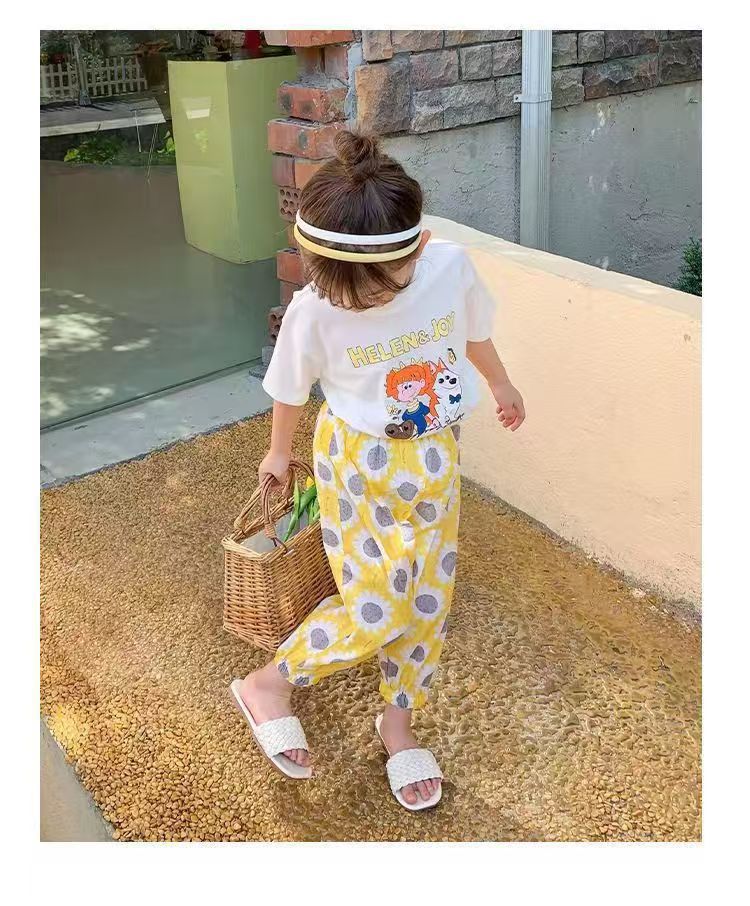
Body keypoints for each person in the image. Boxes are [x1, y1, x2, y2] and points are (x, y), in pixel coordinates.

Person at [229, 130, 525, 811]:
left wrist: (500, 383)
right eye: (348, 288)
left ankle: (398, 721)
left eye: (378, 285)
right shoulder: (315, 307)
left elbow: (473, 331)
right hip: (357, 464)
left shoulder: (448, 266)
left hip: (435, 457)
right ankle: (270, 682)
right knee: (379, 601)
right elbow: (290, 386)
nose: (361, 300)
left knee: (428, 597)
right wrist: (278, 450)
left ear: (418, 248)